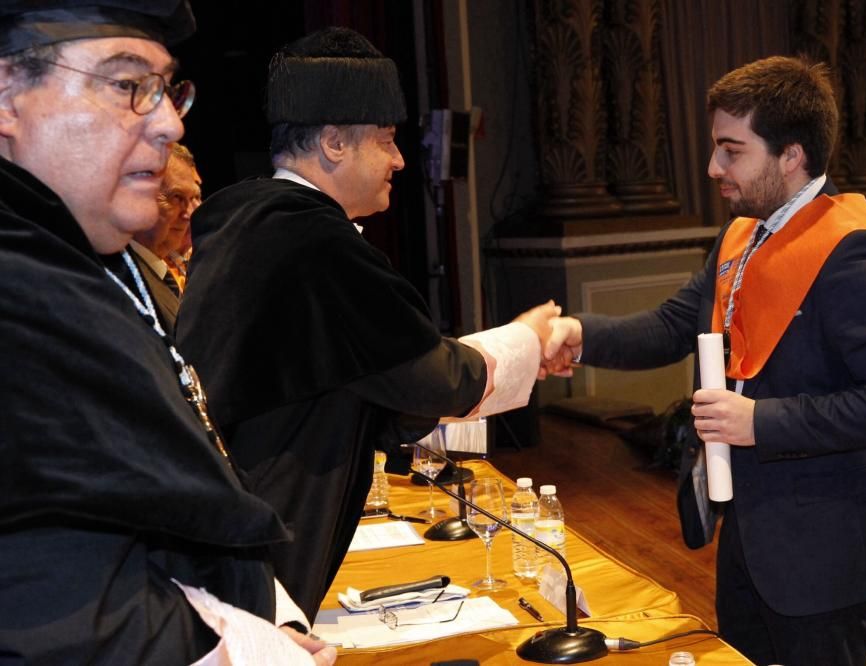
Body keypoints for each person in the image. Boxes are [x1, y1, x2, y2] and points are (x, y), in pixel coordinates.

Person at [543, 56, 866, 665]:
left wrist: (759, 422)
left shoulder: (853, 252)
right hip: (750, 532)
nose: (713, 168)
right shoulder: (742, 236)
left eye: (731, 150)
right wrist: (578, 333)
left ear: (792, 155)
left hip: (824, 550)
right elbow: (673, 325)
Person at [176, 26, 555, 620]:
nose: (400, 160)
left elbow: (386, 387)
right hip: (255, 547)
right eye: (387, 140)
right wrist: (533, 340)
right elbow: (435, 382)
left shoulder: (248, 222)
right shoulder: (312, 243)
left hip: (216, 524)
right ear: (333, 141)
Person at [0, 2, 334, 663]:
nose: (170, 123)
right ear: (7, 97)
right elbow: (52, 615)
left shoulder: (79, 255)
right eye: (128, 86)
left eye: (168, 89)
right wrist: (252, 651)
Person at [128, 143, 200, 334]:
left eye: (194, 198)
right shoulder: (123, 276)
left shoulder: (154, 270)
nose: (190, 214)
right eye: (177, 197)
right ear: (137, 197)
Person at [159, 141, 201, 289]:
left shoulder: (210, 254)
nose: (193, 211)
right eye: (178, 197)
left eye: (196, 197)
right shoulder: (150, 264)